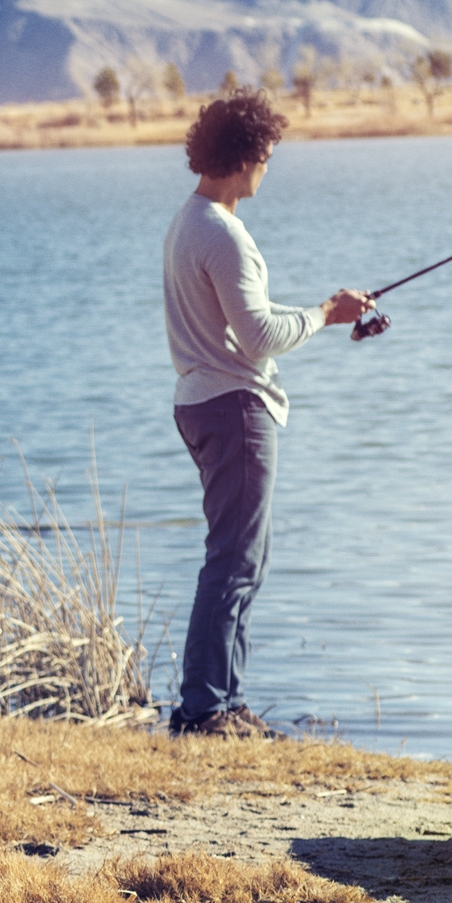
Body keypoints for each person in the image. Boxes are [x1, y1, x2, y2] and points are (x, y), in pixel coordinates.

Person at [162, 90, 374, 739]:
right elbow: (256, 336)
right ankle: (204, 708)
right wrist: (323, 316)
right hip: (234, 410)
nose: (267, 168)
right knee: (233, 560)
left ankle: (224, 700)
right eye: (267, 157)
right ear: (245, 154)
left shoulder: (189, 220)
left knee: (241, 559)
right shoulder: (221, 232)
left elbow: (244, 317)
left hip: (205, 403)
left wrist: (318, 311)